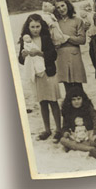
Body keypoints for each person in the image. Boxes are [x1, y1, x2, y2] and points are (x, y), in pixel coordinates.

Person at [18, 14, 61, 143]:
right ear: (28, 27)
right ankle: (47, 129)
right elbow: (21, 60)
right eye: (32, 27)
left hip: (48, 73)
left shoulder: (46, 38)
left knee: (53, 101)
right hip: (35, 74)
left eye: (37, 26)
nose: (35, 29)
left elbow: (53, 56)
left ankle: (58, 129)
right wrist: (23, 55)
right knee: (42, 102)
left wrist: (39, 53)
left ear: (41, 26)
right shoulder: (25, 40)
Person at [53, 0, 87, 94]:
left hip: (74, 56)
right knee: (67, 87)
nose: (61, 9)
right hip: (61, 57)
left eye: (63, 5)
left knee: (78, 86)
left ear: (68, 5)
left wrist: (67, 38)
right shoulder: (55, 23)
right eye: (58, 7)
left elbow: (82, 40)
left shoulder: (77, 20)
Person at [60, 86, 96, 152]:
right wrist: (66, 132)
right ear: (69, 101)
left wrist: (95, 133)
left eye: (78, 99)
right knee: (62, 140)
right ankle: (91, 149)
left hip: (88, 134)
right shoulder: (68, 110)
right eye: (73, 99)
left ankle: (76, 147)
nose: (76, 101)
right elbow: (65, 126)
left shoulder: (88, 107)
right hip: (75, 135)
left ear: (83, 99)